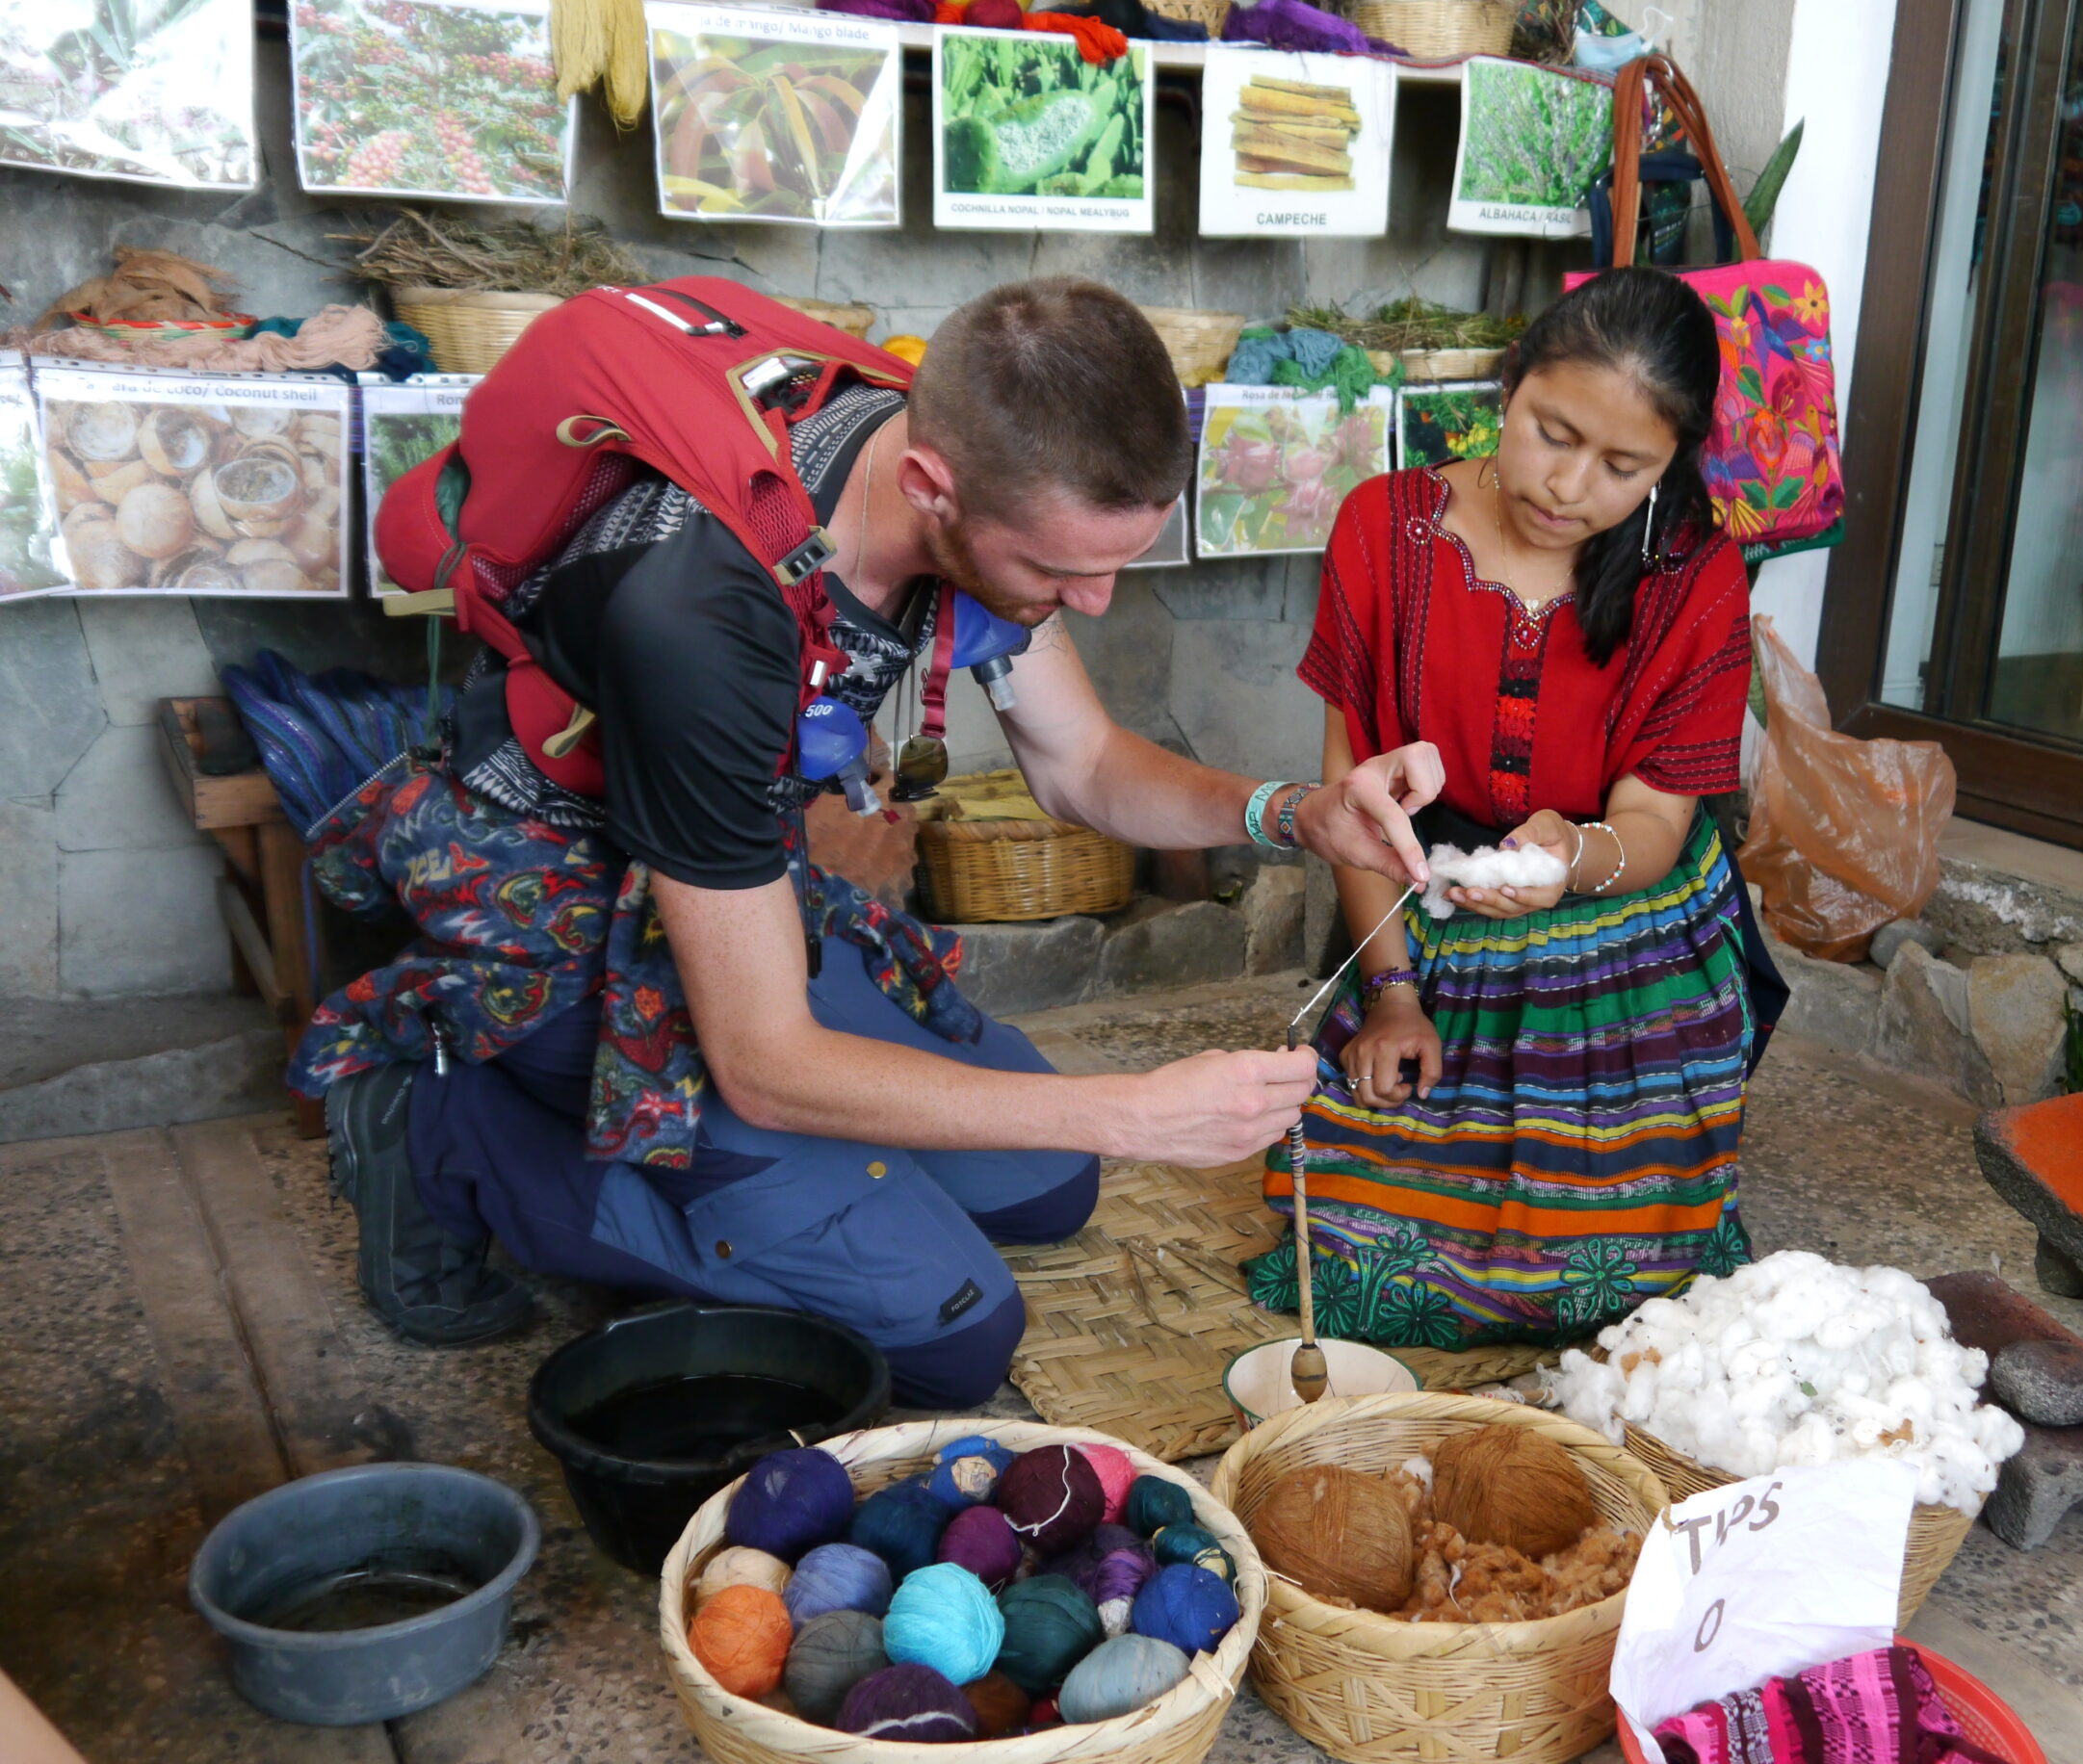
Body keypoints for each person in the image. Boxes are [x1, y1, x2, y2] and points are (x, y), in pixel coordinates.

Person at [298, 276, 1441, 1406]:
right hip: (557, 901)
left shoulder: (956, 460)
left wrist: (1293, 811)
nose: (1092, 603)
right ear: (931, 488)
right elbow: (767, 1065)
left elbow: (1082, 764)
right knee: (952, 1332)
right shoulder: (704, 616)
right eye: (1058, 571)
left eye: (1110, 565)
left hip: (723, 879)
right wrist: (1131, 1107)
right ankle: (448, 1129)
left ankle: (780, 1192)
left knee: (1048, 1184)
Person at [1247, 266, 1770, 1352]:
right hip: (1427, 917)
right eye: (1550, 431)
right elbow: (1356, 806)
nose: (1569, 485)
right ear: (1509, 384)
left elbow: (1657, 829)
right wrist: (1391, 997)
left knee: (1617, 1262)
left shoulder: (1697, 580)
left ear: (1671, 464)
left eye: (1622, 465)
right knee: (1355, 1243)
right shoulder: (1382, 531)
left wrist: (1569, 855)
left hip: (1627, 944)